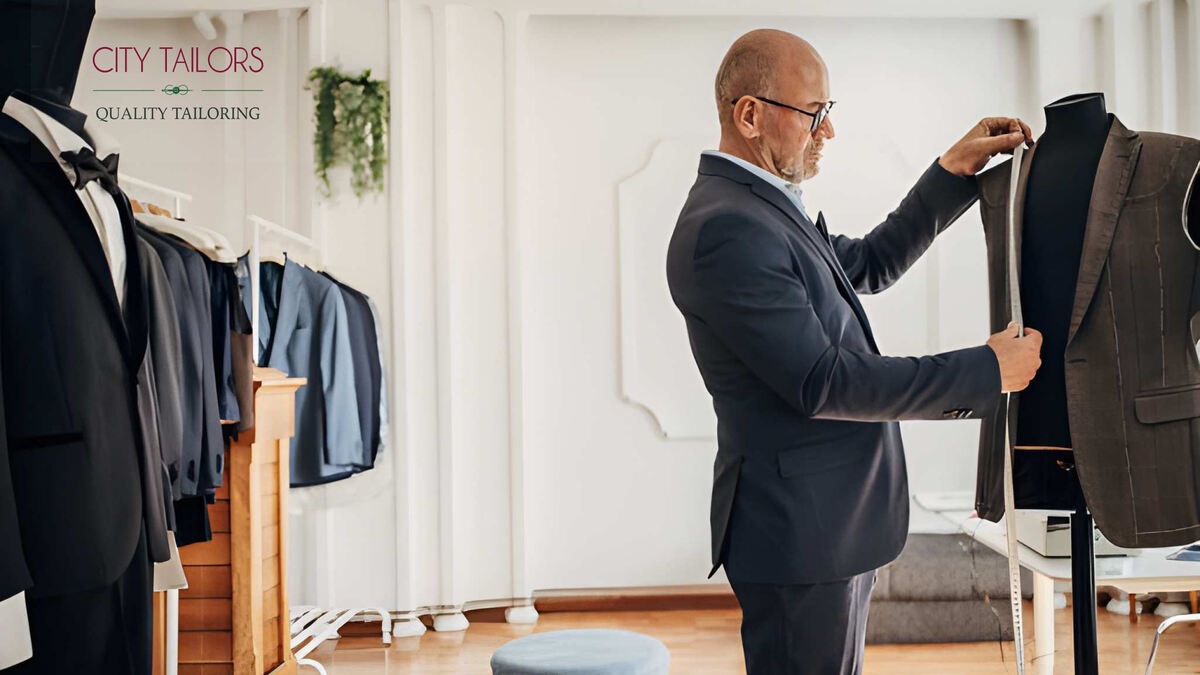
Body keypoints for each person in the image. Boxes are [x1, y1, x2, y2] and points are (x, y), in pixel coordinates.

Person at [665, 28, 1043, 674]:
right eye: (815, 115)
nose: (827, 133)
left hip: (826, 528)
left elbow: (865, 262)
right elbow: (824, 380)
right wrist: (986, 370)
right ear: (750, 115)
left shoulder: (762, 209)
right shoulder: (728, 228)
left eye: (827, 114)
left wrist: (951, 173)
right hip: (800, 537)